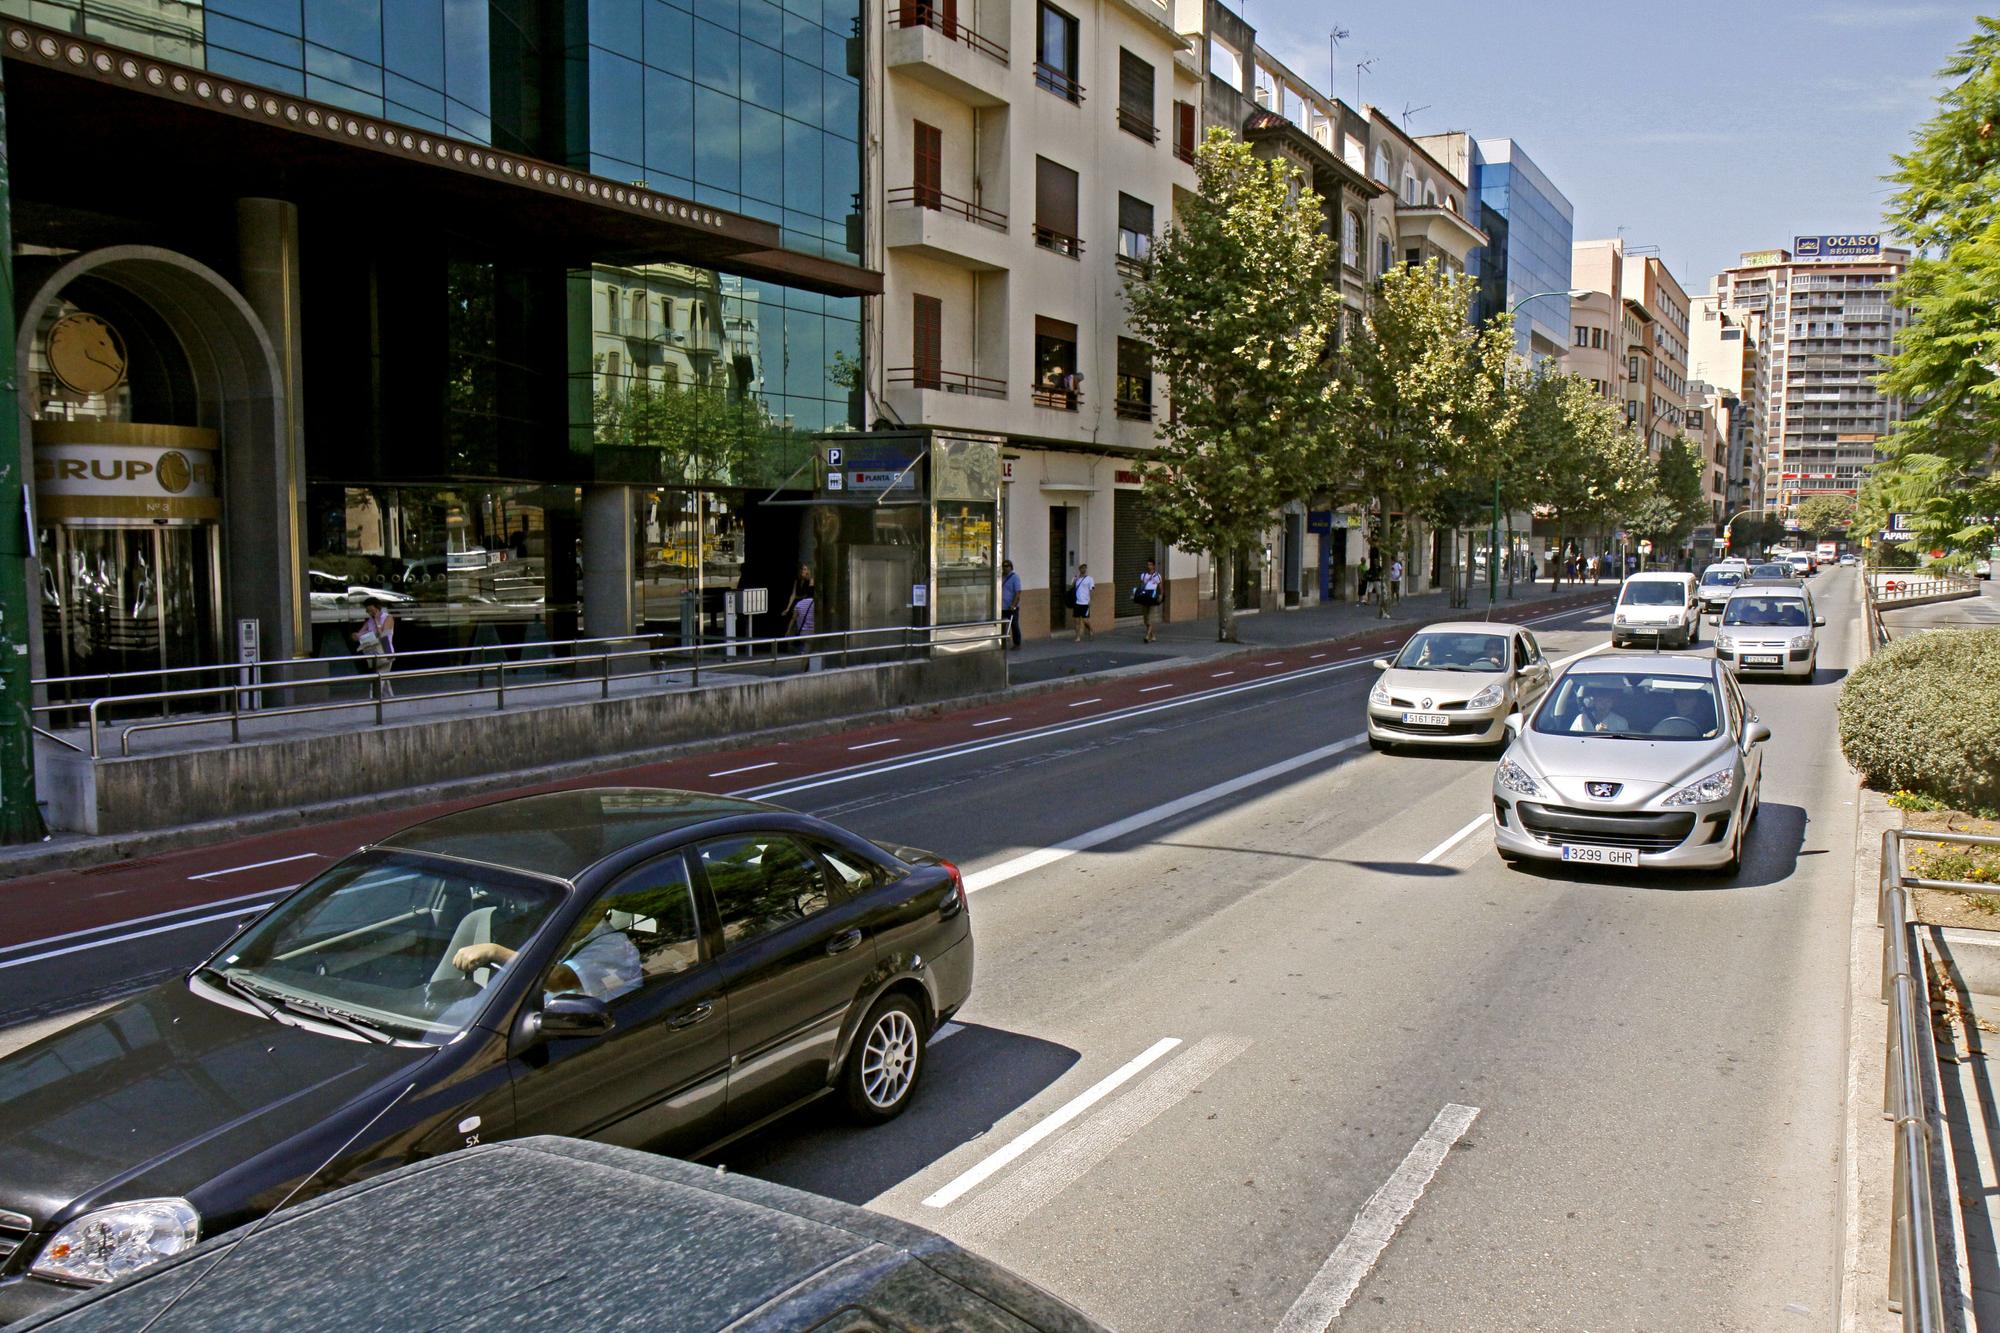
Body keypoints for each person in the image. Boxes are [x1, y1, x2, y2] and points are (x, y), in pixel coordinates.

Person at [453, 915, 641, 1003]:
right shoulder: (571, 935)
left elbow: (558, 980)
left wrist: (494, 951)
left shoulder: (613, 946)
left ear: (598, 909)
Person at [353, 597, 396, 697]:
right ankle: (390, 700)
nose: (370, 613)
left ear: (377, 608)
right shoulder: (369, 621)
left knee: (378, 680)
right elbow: (359, 634)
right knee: (383, 679)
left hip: (386, 652)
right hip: (374, 653)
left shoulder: (388, 617)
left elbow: (383, 635)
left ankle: (373, 700)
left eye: (371, 611)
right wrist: (357, 635)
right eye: (368, 611)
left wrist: (377, 620)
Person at [1567, 684, 1632, 735]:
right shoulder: (1581, 719)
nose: (1603, 704)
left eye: (1607, 701)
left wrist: (1608, 734)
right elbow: (1570, 740)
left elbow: (1623, 744)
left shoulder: (1621, 722)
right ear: (1594, 702)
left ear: (1612, 703)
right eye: (1600, 700)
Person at [782, 562, 814, 646]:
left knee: (799, 620)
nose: (802, 571)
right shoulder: (797, 580)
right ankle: (788, 638)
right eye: (802, 569)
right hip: (797, 601)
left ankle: (798, 639)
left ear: (808, 571)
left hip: (805, 602)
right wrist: (788, 608)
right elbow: (793, 594)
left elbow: (810, 594)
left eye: (804, 569)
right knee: (790, 618)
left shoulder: (810, 580)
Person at [1134, 558, 1162, 643]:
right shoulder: (1144, 575)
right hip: (1145, 597)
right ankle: (1152, 635)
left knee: (1150, 618)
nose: (1149, 566)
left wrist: (1160, 595)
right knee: (1145, 619)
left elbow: (1161, 586)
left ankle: (1147, 636)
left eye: (1150, 565)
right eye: (1148, 565)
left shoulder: (1157, 576)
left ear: (1153, 566)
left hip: (1152, 597)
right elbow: (1141, 585)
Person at [1000, 559, 1023, 649]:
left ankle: (1017, 644)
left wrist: (1013, 605)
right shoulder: (1002, 577)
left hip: (1011, 607)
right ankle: (1003, 642)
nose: (1005, 568)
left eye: (1007, 566)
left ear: (1011, 567)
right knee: (1002, 625)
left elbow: (1018, 592)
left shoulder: (1015, 577)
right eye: (1004, 566)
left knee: (1014, 625)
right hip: (1002, 606)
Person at [1071, 563, 1095, 641]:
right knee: (1076, 621)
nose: (1083, 569)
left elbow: (1091, 590)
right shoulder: (1076, 578)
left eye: (1085, 568)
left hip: (1085, 603)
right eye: (1082, 568)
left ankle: (1091, 629)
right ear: (1079, 569)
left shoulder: (1089, 579)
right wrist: (1075, 580)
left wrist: (1090, 600)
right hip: (1077, 602)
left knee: (1085, 620)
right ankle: (1078, 636)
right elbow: (1072, 586)